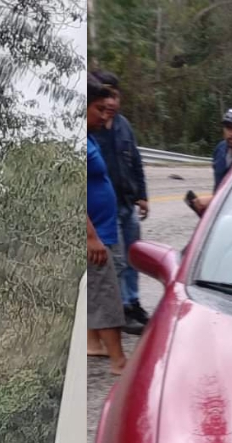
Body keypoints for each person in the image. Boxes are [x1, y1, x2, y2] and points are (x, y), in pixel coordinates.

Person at [90, 69, 150, 334]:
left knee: (133, 257)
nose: (111, 103)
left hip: (128, 203)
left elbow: (135, 160)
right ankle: (120, 311)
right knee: (117, 262)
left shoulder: (124, 125)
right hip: (108, 211)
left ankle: (132, 301)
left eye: (115, 95)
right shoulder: (94, 127)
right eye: (107, 96)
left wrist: (143, 195)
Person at [86, 74, 128, 375]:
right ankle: (119, 362)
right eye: (99, 109)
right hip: (96, 233)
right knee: (108, 296)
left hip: (104, 227)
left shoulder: (89, 136)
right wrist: (90, 236)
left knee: (99, 291)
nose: (105, 115)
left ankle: (94, 343)